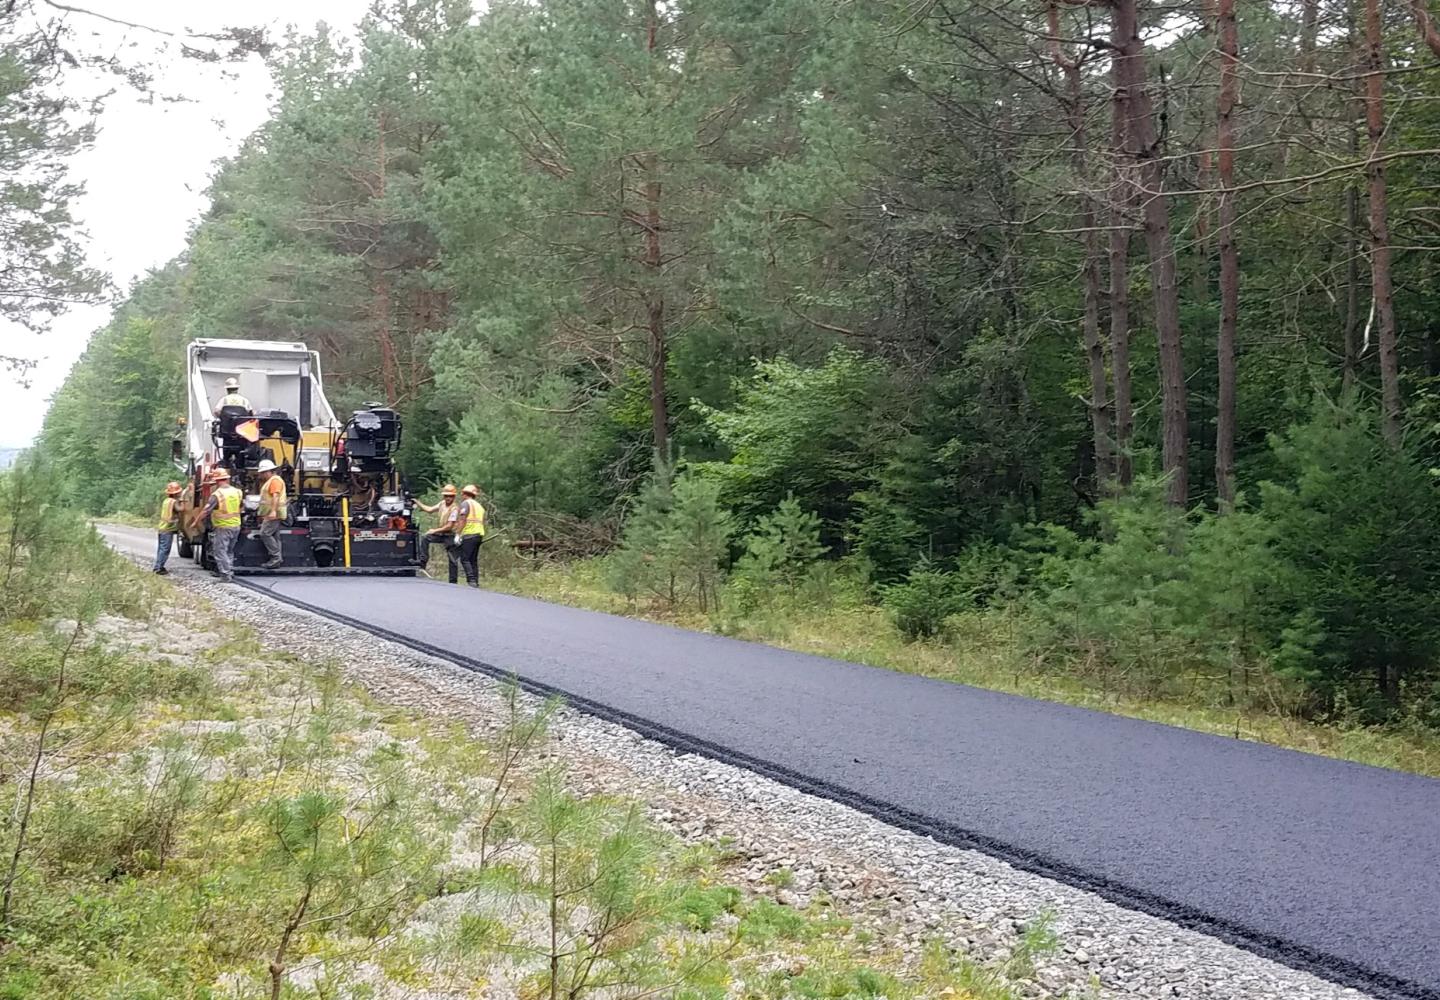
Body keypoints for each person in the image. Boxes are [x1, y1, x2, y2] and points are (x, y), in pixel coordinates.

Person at [198, 468, 244, 582]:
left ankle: (225, 575)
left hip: (223, 527)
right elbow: (241, 507)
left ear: (217, 481)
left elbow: (206, 511)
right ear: (227, 479)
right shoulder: (238, 491)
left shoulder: (217, 494)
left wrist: (196, 521)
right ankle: (230, 571)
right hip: (236, 525)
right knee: (229, 550)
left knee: (220, 551)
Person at [448, 483, 486, 587]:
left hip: (469, 534)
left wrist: (458, 534)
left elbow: (462, 520)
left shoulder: (465, 504)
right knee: (473, 559)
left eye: (463, 494)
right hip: (479, 534)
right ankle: (476, 581)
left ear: (465, 494)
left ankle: (471, 581)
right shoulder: (479, 506)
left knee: (465, 559)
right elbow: (483, 521)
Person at [415, 483, 457, 573]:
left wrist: (434, 530)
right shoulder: (442, 504)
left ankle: (453, 581)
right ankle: (423, 562)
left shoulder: (455, 509)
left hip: (450, 535)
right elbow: (429, 510)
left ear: (454, 497)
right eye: (446, 496)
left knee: (452, 558)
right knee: (425, 538)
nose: (448, 498)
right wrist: (418, 503)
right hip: (441, 533)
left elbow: (450, 526)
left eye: (450, 496)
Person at [256, 458, 287, 569]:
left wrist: (273, 511)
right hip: (272, 513)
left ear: (269, 471)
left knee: (265, 533)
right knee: (274, 535)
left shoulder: (275, 481)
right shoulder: (271, 481)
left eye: (262, 473)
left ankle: (275, 558)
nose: (261, 475)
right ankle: (277, 559)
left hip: (273, 513)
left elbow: (275, 496)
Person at [153, 481, 183, 574]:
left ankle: (159, 566)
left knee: (161, 548)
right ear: (176, 493)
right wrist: (182, 502)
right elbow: (180, 509)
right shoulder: (173, 502)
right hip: (167, 529)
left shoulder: (166, 501)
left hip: (162, 528)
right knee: (165, 549)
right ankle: (158, 568)